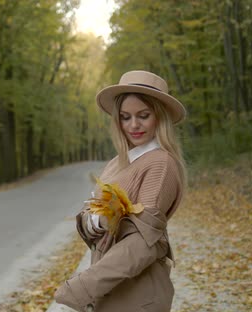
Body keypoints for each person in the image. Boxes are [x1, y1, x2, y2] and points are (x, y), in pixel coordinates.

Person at [54, 70, 187, 312]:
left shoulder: (160, 163)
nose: (133, 125)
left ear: (160, 116)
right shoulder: (117, 162)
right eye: (125, 117)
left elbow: (143, 243)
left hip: (138, 294)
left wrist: (81, 288)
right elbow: (88, 215)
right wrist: (96, 221)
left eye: (143, 116)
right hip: (108, 287)